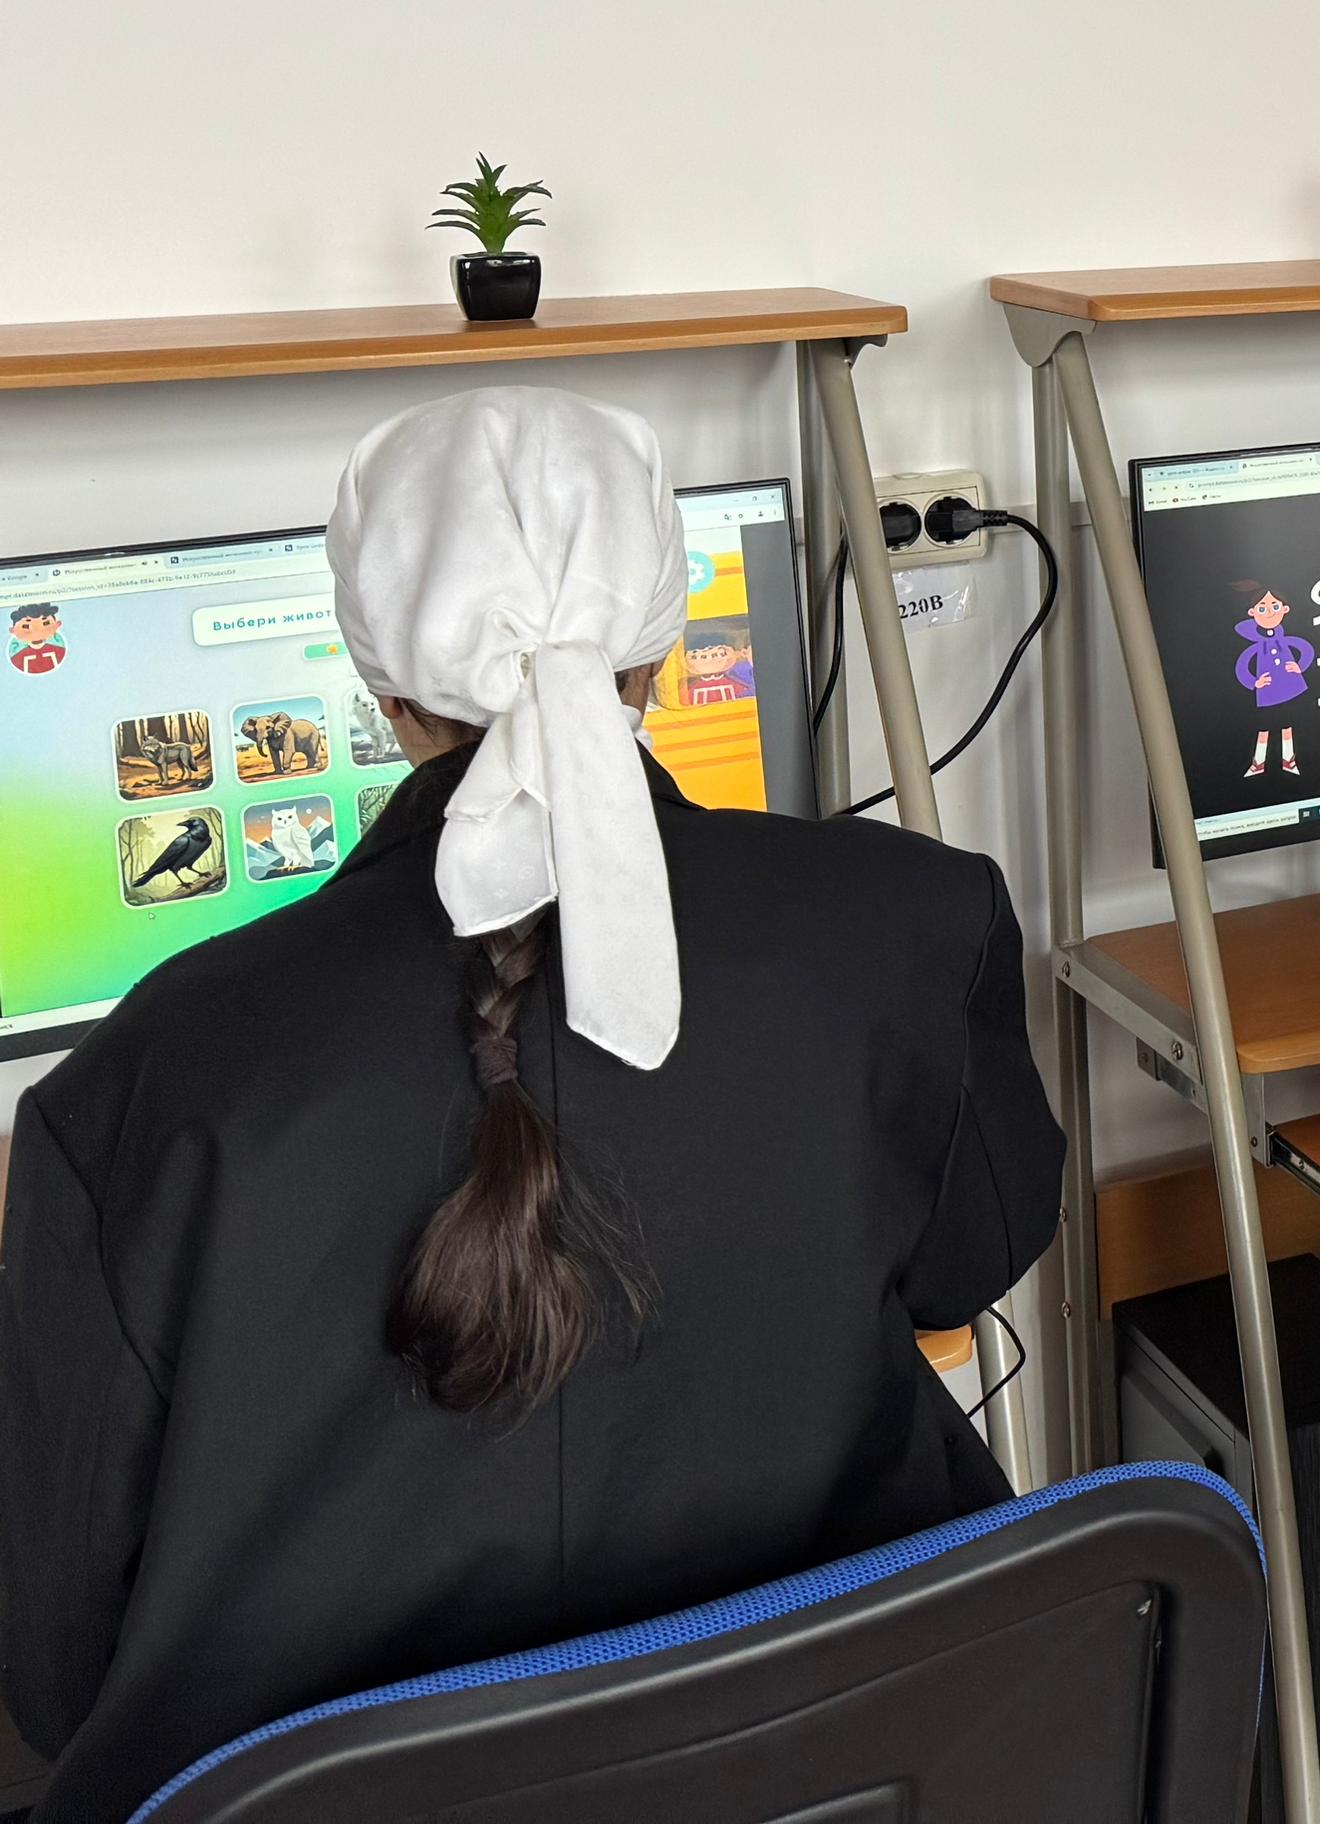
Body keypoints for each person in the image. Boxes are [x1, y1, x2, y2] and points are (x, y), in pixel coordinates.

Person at [0, 387, 1060, 1824]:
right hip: (851, 1770)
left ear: (381, 687)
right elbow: (968, 1264)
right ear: (659, 653)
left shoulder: (152, 1074)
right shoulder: (918, 922)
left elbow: (58, 1669)